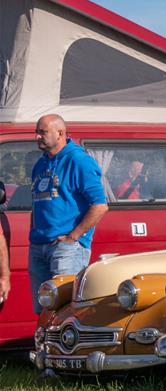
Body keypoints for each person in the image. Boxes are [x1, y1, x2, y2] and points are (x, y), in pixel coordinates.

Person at [28, 115, 108, 308]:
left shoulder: (79, 161)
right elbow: (37, 204)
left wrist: (73, 237)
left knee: (65, 308)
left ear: (60, 133)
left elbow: (100, 205)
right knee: (44, 308)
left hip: (66, 249)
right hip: (39, 245)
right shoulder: (40, 164)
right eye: (37, 132)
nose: (37, 137)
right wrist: (34, 234)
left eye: (43, 132)